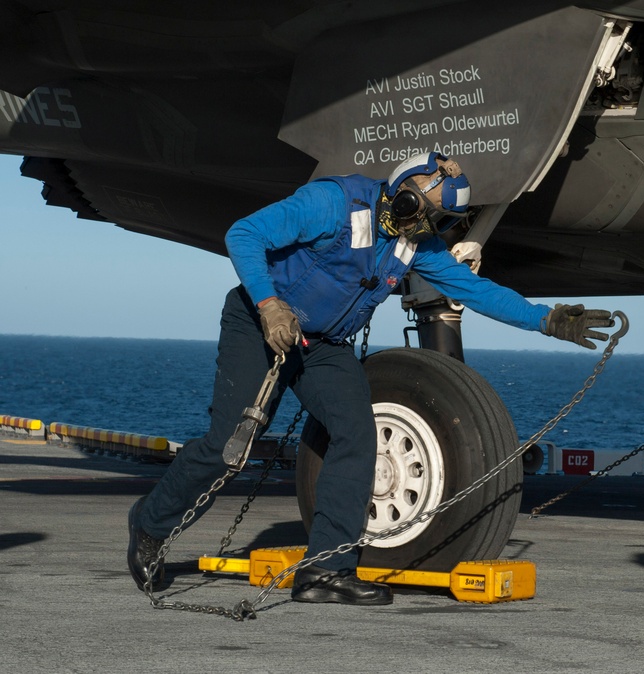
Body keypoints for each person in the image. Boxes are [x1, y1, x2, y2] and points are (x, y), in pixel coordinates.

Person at [127, 152, 614, 605]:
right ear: (407, 185)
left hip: (322, 347)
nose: (426, 224)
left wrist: (547, 320)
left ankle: (324, 571)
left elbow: (474, 288)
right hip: (261, 325)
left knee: (358, 435)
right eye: (427, 208)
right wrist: (269, 304)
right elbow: (244, 234)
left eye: (438, 220)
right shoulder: (333, 202)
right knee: (230, 445)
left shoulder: (415, 247)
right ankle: (150, 526)